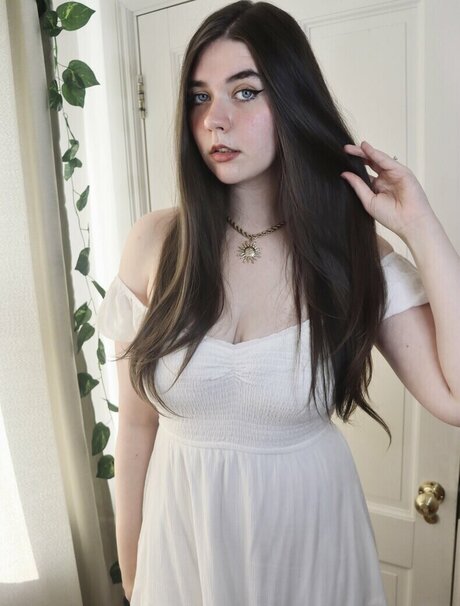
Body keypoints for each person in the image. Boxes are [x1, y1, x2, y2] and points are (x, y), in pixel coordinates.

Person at [96, 1, 460, 604]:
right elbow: (136, 426)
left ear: (292, 100)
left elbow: (456, 398)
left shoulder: (351, 252)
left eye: (245, 92)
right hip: (183, 543)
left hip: (309, 544)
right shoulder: (155, 244)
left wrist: (419, 224)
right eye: (199, 97)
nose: (215, 120)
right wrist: (134, 575)